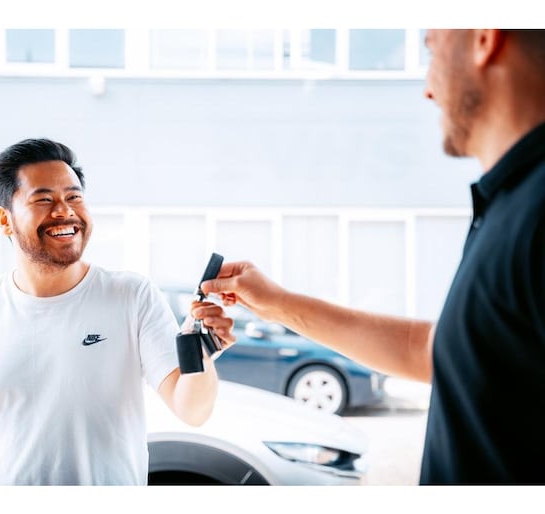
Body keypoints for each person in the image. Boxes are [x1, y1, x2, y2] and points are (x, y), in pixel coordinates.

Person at [200, 29, 545, 485]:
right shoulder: (508, 203)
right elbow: (427, 350)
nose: (427, 89)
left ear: (484, 37)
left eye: (432, 49)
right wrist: (277, 304)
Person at [0, 138, 235, 485]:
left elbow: (192, 409)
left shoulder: (131, 296)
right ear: (5, 220)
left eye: (74, 197)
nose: (64, 211)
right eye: (44, 199)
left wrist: (201, 353)